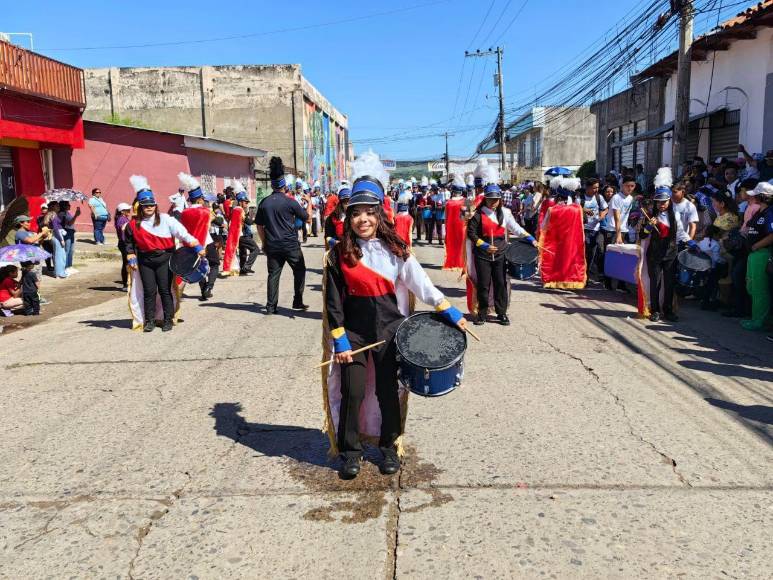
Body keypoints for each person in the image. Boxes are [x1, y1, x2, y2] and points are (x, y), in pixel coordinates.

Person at [322, 151, 467, 478]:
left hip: (390, 332)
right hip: (353, 335)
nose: (363, 219)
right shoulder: (338, 254)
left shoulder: (397, 249)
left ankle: (389, 446)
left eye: (369, 212)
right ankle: (351, 451)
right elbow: (333, 303)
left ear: (379, 214)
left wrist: (448, 309)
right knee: (353, 391)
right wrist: (340, 340)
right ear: (349, 217)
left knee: (387, 391)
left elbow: (422, 284)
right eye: (356, 213)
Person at [124, 175, 204, 332]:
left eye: (152, 204)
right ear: (140, 206)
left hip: (164, 259)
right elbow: (128, 242)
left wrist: (197, 247)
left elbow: (183, 234)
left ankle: (168, 320)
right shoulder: (132, 225)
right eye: (146, 205)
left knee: (165, 290)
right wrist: (130, 254)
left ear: (155, 205)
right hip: (145, 261)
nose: (149, 207)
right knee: (149, 292)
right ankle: (150, 321)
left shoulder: (166, 219)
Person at [466, 175, 537, 326]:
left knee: (500, 283)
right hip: (483, 255)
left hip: (501, 254)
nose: (493, 202)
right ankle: (482, 313)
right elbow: (471, 233)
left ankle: (501, 313)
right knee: (484, 285)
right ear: (485, 199)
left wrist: (530, 238)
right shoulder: (478, 214)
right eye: (490, 199)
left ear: (500, 199)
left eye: (496, 199)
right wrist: (484, 245)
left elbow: (516, 228)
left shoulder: (505, 213)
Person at [255, 157, 309, 314]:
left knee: (273, 275)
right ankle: (297, 301)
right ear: (284, 185)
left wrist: (264, 243)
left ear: (272, 185)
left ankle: (271, 307)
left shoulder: (264, 203)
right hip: (291, 245)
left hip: (272, 245)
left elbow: (259, 226)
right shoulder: (290, 202)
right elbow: (307, 218)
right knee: (300, 270)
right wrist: (309, 202)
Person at [639, 168, 690, 323]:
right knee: (655, 283)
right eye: (659, 202)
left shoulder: (675, 215)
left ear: (669, 201)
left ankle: (668, 310)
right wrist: (648, 226)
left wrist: (690, 242)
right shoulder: (649, 215)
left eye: (664, 201)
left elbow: (681, 233)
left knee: (669, 284)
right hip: (654, 254)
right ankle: (654, 310)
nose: (662, 204)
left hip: (671, 253)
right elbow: (642, 235)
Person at [178, 172, 220, 300]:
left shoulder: (184, 213)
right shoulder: (205, 211)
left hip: (193, 245)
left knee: (199, 266)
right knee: (215, 264)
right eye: (202, 199)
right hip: (206, 242)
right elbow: (216, 222)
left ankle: (203, 290)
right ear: (199, 199)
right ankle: (209, 287)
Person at [740, 182, 773, 330]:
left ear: (763, 196)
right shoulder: (760, 211)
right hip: (753, 254)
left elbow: (772, 235)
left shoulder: (770, 212)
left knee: (760, 289)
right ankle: (758, 318)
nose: (753, 197)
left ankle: (759, 321)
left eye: (757, 194)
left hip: (762, 254)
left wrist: (756, 246)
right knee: (752, 287)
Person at [580, 177, 608, 279]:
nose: (596, 190)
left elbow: (605, 208)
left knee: (592, 253)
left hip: (596, 230)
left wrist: (602, 216)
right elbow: (572, 209)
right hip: (583, 229)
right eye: (594, 188)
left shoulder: (599, 197)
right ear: (587, 188)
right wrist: (583, 209)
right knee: (584, 254)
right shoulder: (580, 198)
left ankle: (587, 274)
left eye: (597, 187)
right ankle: (583, 276)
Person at [697, 225, 725, 310]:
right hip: (711, 269)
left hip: (701, 268)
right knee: (711, 285)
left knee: (704, 285)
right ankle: (710, 301)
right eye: (718, 235)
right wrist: (724, 261)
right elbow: (717, 259)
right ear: (715, 234)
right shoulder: (715, 244)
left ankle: (703, 301)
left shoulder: (700, 243)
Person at [443, 175, 467, 270]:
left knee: (452, 244)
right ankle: (462, 262)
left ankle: (453, 263)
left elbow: (446, 217)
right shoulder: (466, 201)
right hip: (462, 225)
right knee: (461, 244)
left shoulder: (448, 202)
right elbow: (469, 215)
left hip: (450, 226)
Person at [670, 182, 699, 246]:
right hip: (667, 241)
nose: (672, 194)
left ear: (683, 192)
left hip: (681, 242)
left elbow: (693, 227)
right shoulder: (667, 203)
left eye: (675, 192)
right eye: (671, 191)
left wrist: (688, 243)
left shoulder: (690, 206)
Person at [59, 200, 81, 275]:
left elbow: (71, 223)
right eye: (68, 204)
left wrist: (76, 215)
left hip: (71, 231)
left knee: (71, 250)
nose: (70, 206)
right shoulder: (62, 214)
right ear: (64, 206)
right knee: (67, 250)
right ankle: (65, 267)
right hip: (66, 232)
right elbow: (69, 223)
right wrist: (76, 215)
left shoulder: (67, 212)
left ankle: (69, 266)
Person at [115, 202, 132, 291]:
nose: (129, 211)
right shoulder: (122, 220)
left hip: (125, 244)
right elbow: (123, 234)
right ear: (122, 211)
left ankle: (127, 283)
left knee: (127, 263)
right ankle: (126, 284)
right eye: (127, 210)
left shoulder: (124, 218)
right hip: (124, 244)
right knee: (127, 264)